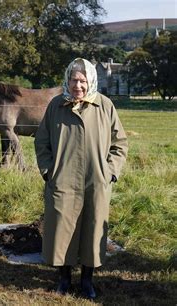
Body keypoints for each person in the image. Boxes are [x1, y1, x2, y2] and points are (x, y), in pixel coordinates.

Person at [34, 58, 128, 300]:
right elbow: (42, 142)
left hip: (96, 180)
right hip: (62, 179)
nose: (78, 85)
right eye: (74, 80)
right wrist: (47, 170)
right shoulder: (56, 105)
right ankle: (64, 278)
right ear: (67, 80)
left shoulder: (104, 106)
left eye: (83, 80)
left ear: (91, 81)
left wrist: (110, 171)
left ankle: (87, 281)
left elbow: (120, 144)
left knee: (93, 228)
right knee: (61, 229)